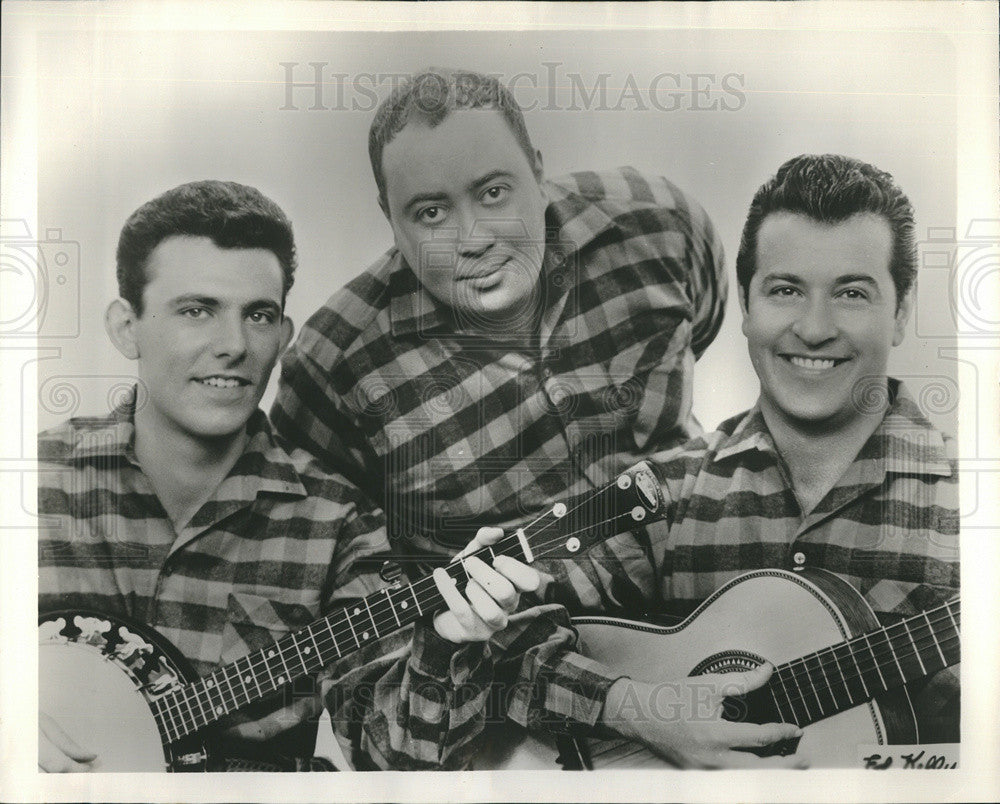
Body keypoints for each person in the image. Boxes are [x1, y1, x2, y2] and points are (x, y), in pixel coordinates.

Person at [36, 180, 568, 772]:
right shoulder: (38, 482)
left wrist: (444, 645)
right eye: (196, 310)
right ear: (125, 327)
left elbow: (394, 760)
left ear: (284, 338)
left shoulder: (338, 522)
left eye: (259, 316)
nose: (234, 346)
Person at [535, 154, 959, 765]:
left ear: (901, 312)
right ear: (745, 303)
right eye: (786, 290)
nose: (813, 329)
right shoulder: (663, 494)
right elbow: (491, 646)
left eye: (851, 293)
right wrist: (640, 710)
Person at [271, 67, 727, 572]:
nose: (474, 240)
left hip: (702, 587)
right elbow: (328, 551)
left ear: (536, 170)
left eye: (492, 194)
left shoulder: (655, 223)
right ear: (388, 215)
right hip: (523, 644)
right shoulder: (331, 363)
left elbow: (704, 321)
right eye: (431, 214)